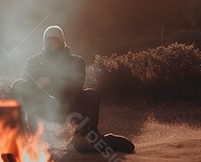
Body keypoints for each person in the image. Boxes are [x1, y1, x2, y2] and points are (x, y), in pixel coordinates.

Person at [12, 25, 135, 154]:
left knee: (91, 95)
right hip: (43, 106)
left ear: (62, 41)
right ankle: (20, 135)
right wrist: (35, 86)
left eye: (55, 39)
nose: (51, 42)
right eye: (48, 39)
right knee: (18, 85)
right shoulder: (34, 61)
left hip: (69, 107)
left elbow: (76, 85)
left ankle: (88, 138)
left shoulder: (75, 61)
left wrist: (50, 81)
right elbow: (26, 80)